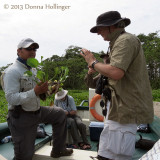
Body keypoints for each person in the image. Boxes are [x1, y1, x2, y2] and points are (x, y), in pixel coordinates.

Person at [80, 11, 154, 160]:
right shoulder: (117, 43)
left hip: (125, 108)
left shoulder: (126, 40)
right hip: (116, 109)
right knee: (107, 150)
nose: (98, 33)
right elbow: (98, 82)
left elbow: (115, 72)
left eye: (100, 29)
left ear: (111, 26)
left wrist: (93, 62)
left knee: (117, 154)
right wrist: (92, 70)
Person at [1, 38, 73, 160]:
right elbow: (11, 98)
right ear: (19, 51)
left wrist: (49, 90)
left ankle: (58, 150)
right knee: (25, 156)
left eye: (34, 49)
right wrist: (35, 91)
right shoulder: (12, 72)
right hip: (21, 116)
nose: (32, 52)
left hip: (37, 111)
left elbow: (40, 93)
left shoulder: (33, 70)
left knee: (59, 114)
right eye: (28, 49)